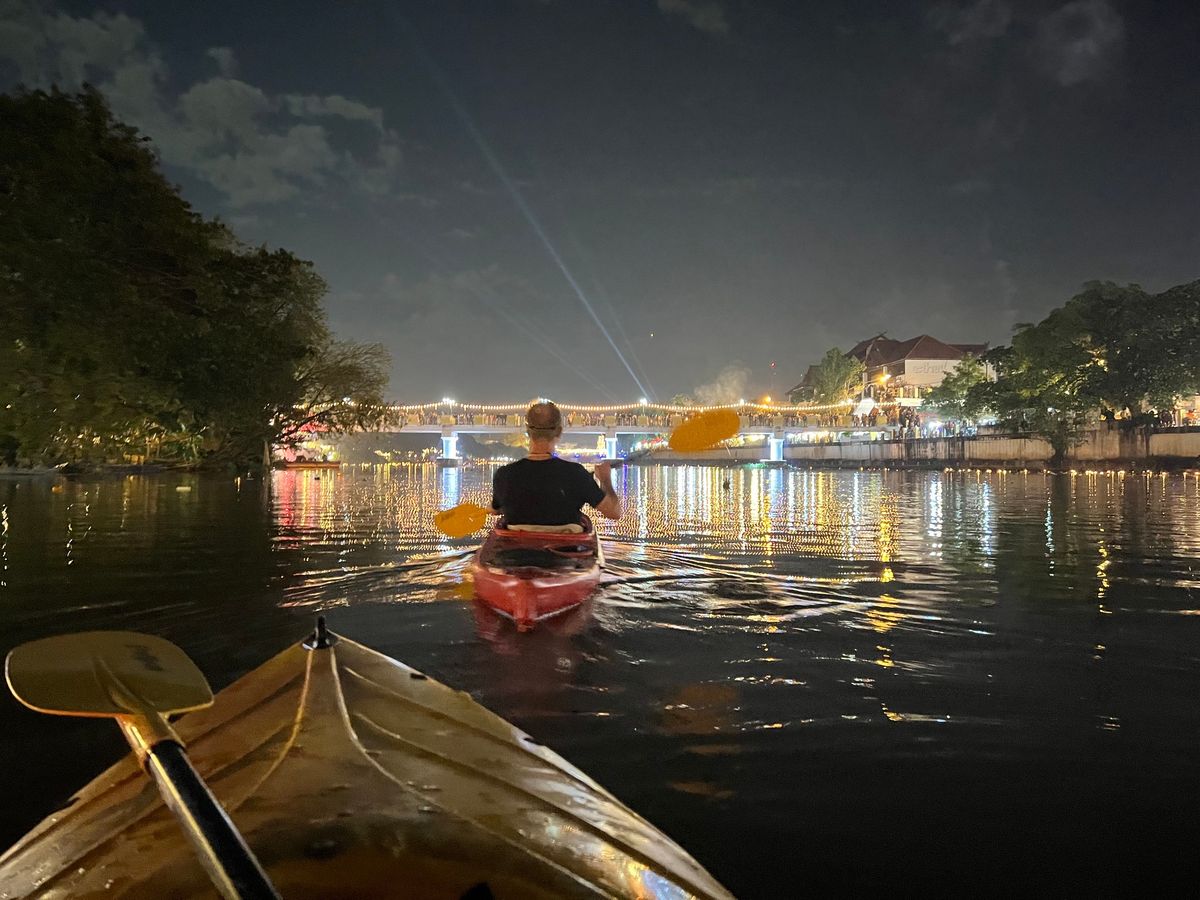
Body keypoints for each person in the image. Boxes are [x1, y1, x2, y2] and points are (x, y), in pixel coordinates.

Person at [488, 401, 621, 532]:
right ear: (559, 432)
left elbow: (493, 510)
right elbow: (614, 513)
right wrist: (605, 480)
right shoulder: (576, 474)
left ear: (528, 432)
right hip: (567, 551)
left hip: (515, 552)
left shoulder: (504, 474)